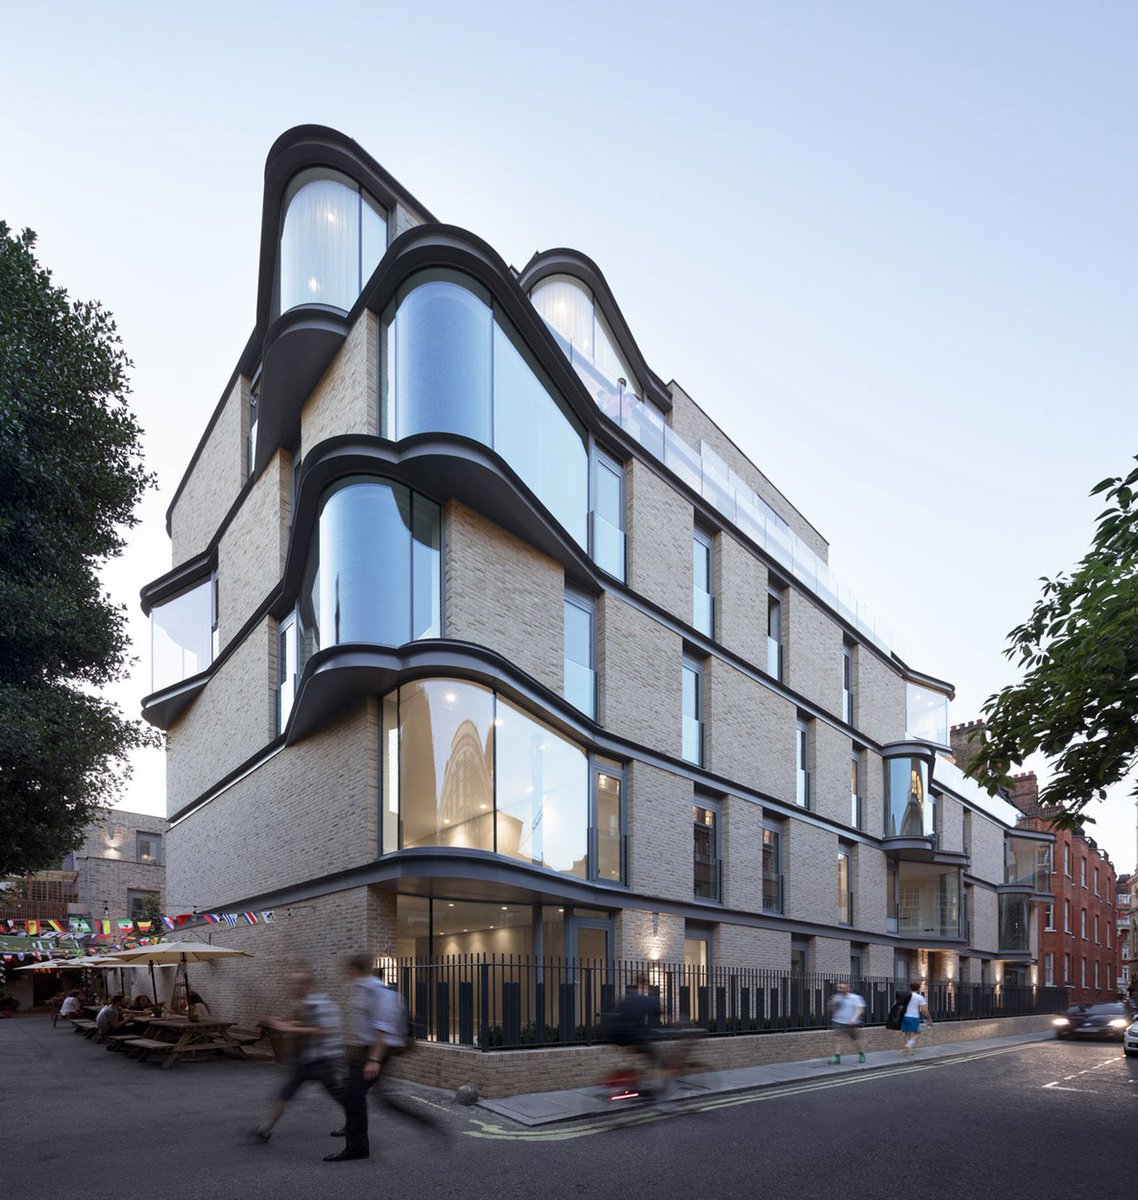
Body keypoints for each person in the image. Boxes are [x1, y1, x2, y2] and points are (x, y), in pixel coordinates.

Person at [325, 957, 438, 1162]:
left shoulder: (378, 992)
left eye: (348, 971)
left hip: (378, 1050)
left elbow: (382, 1027)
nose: (346, 975)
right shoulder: (366, 990)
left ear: (356, 970)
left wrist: (374, 1059)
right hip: (369, 1049)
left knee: (354, 1095)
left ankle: (357, 1147)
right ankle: (355, 1137)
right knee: (370, 1097)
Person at [253, 969, 343, 1143]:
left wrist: (287, 1028)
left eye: (297, 983)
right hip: (304, 1060)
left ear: (307, 984)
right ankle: (265, 1129)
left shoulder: (320, 1004)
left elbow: (320, 1030)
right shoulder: (307, 1003)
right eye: (293, 983)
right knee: (285, 1092)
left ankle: (356, 1123)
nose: (293, 987)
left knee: (339, 1096)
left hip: (322, 1061)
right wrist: (280, 1022)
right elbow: (304, 1022)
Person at [826, 982, 866, 1065]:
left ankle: (861, 1054)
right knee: (837, 1038)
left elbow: (860, 1009)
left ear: (847, 988)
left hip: (850, 1022)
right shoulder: (836, 997)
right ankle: (837, 1057)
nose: (839, 989)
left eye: (841, 987)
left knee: (855, 1040)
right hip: (838, 1021)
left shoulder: (855, 997)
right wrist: (833, 1003)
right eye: (839, 987)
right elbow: (830, 1008)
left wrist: (854, 1018)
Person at [900, 982, 932, 1055]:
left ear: (910, 988)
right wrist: (929, 1018)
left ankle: (907, 1052)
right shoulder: (919, 997)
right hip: (913, 1017)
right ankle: (908, 1045)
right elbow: (924, 1010)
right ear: (919, 988)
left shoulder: (906, 996)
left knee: (907, 1034)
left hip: (905, 1017)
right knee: (917, 1033)